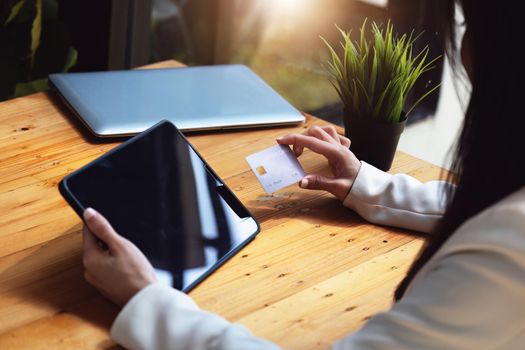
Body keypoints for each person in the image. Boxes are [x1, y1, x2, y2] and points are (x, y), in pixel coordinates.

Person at [81, 0, 525, 348]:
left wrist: (147, 302)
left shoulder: (508, 256)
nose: (463, 51)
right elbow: (484, 209)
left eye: (470, 26)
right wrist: (367, 182)